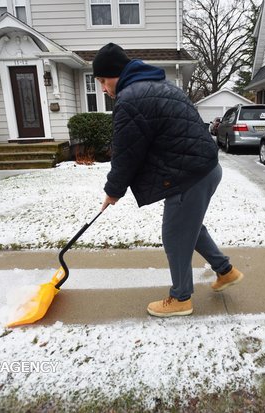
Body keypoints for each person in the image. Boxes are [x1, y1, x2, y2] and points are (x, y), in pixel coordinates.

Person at [94, 43, 244, 317]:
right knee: (190, 227)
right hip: (205, 167)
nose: (103, 88)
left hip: (189, 174)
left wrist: (113, 190)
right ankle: (226, 271)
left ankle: (181, 298)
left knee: (175, 235)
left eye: (104, 80)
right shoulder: (159, 86)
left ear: (116, 74)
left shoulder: (130, 99)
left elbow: (127, 154)